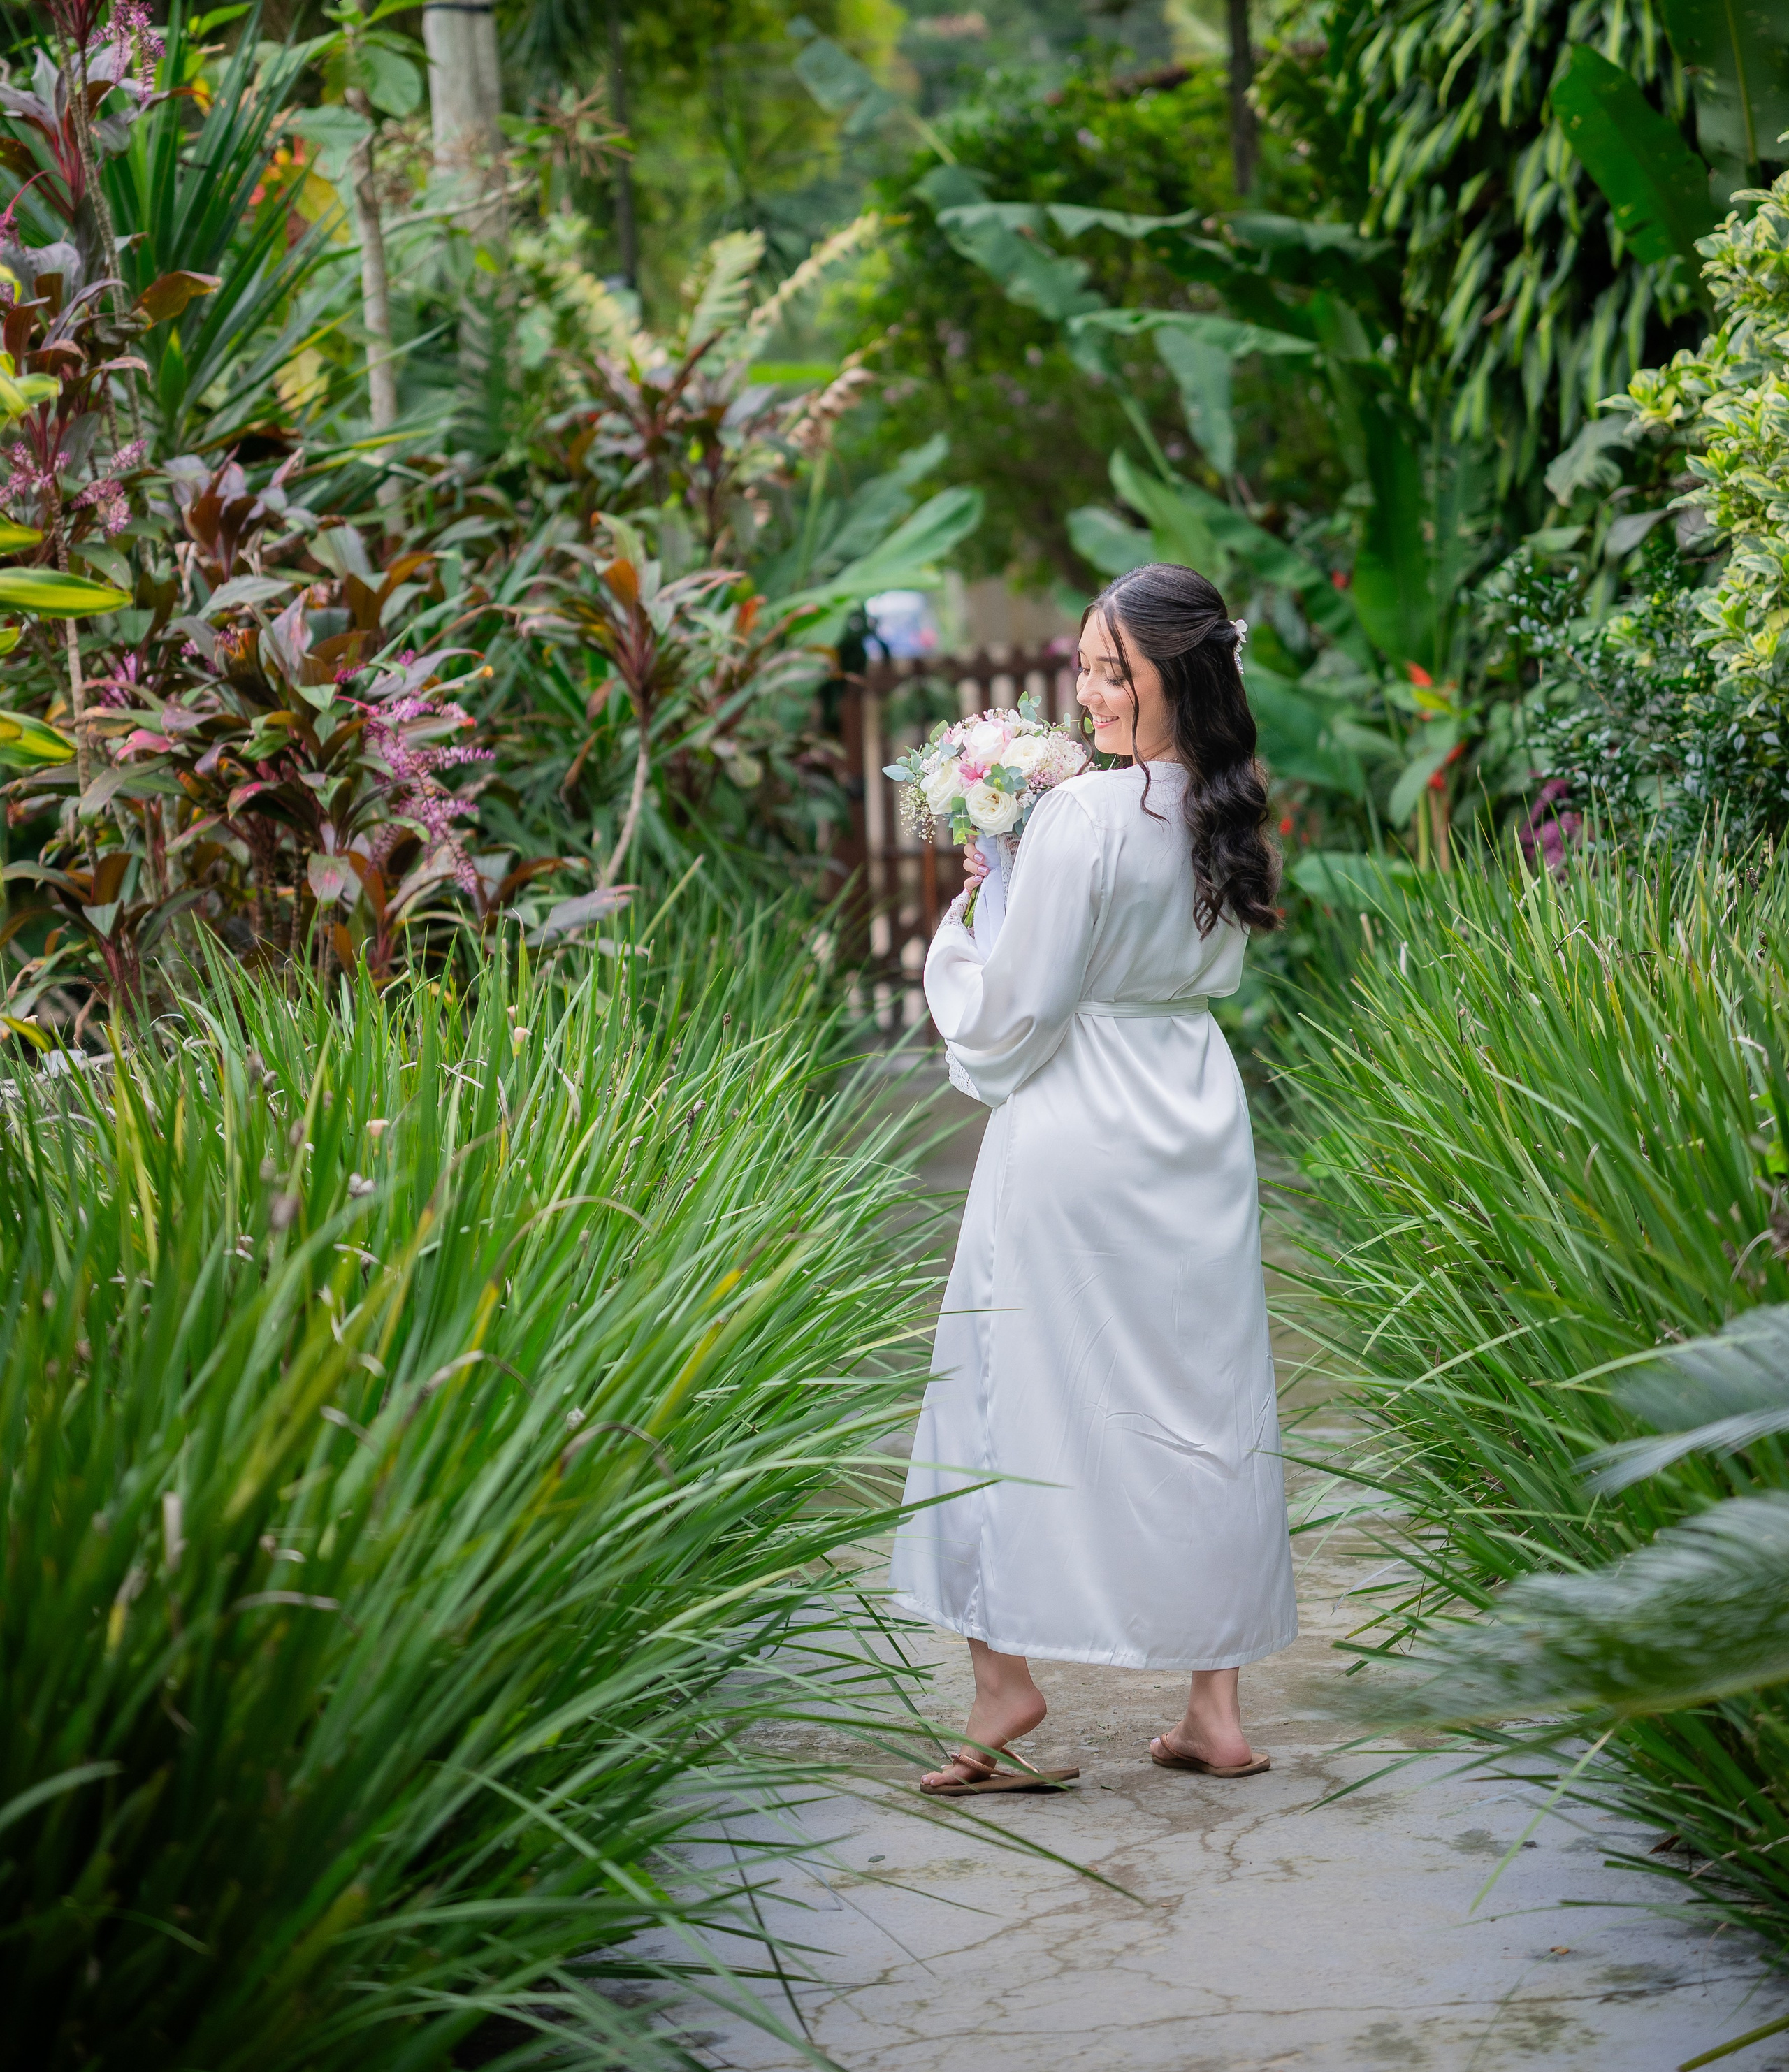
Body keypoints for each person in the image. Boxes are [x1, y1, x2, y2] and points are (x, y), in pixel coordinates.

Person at [890, 562, 1298, 1797]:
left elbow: (1018, 1010)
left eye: (1113, 671)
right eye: (1084, 668)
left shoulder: (1080, 819)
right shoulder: (1233, 813)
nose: (1090, 691)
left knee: (1006, 1392)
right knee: (1204, 1400)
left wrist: (964, 930)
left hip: (1076, 1118)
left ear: (1182, 675)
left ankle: (1003, 1686)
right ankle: (1213, 1710)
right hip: (1193, 1110)